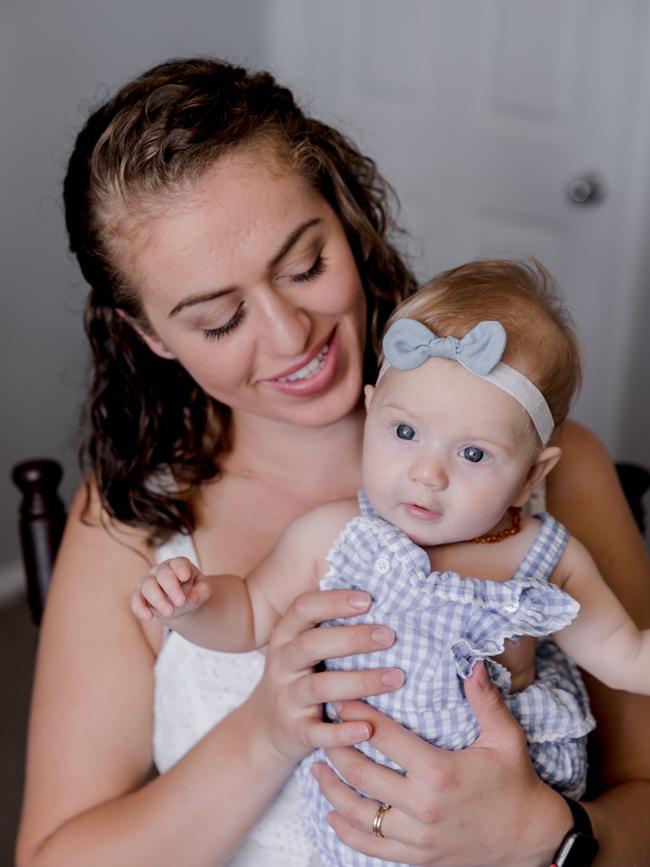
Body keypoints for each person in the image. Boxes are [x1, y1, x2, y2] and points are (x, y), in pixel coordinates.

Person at [15, 57, 650, 867]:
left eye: (306, 265)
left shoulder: (555, 474)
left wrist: (550, 839)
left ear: (345, 219)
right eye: (218, 319)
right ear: (149, 335)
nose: (290, 336)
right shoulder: (134, 510)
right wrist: (266, 732)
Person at [130, 259, 650, 865]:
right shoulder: (335, 535)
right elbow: (247, 614)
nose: (427, 473)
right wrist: (192, 604)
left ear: (530, 476)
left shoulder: (546, 559)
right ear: (373, 414)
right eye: (405, 433)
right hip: (360, 824)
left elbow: (627, 657)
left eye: (474, 453)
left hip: (510, 826)